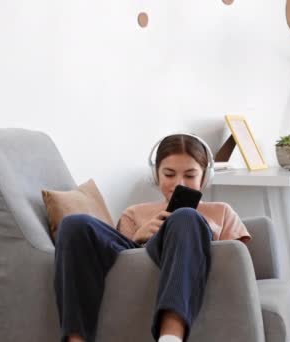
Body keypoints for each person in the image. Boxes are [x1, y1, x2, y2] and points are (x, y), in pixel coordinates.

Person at [54, 134, 251, 342]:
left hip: (190, 270)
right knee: (74, 224)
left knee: (185, 217)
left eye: (190, 175)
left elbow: (239, 268)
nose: (179, 183)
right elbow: (121, 267)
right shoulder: (134, 213)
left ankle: (170, 337)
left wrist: (202, 230)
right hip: (140, 261)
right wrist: (139, 237)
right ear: (156, 175)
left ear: (205, 177)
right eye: (169, 174)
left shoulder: (222, 212)